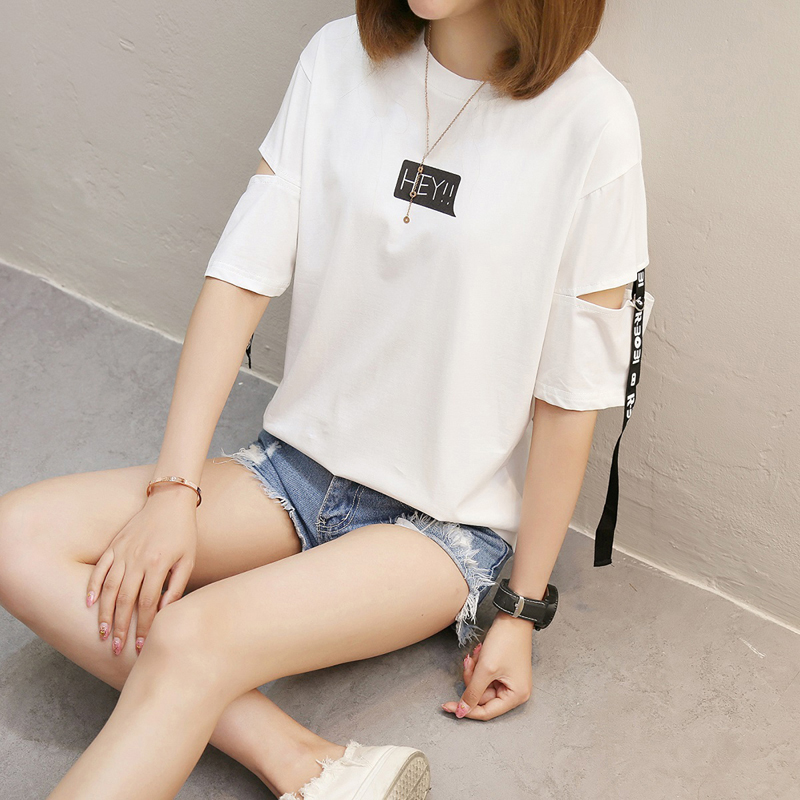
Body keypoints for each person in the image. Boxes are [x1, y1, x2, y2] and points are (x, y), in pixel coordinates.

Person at [0, 1, 655, 798]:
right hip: (293, 470)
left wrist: (519, 612)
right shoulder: (337, 59)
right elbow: (241, 278)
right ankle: (305, 759)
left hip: (441, 528)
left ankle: (281, 744)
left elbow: (570, 398)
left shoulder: (592, 120)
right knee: (16, 537)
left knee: (191, 634)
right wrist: (174, 489)